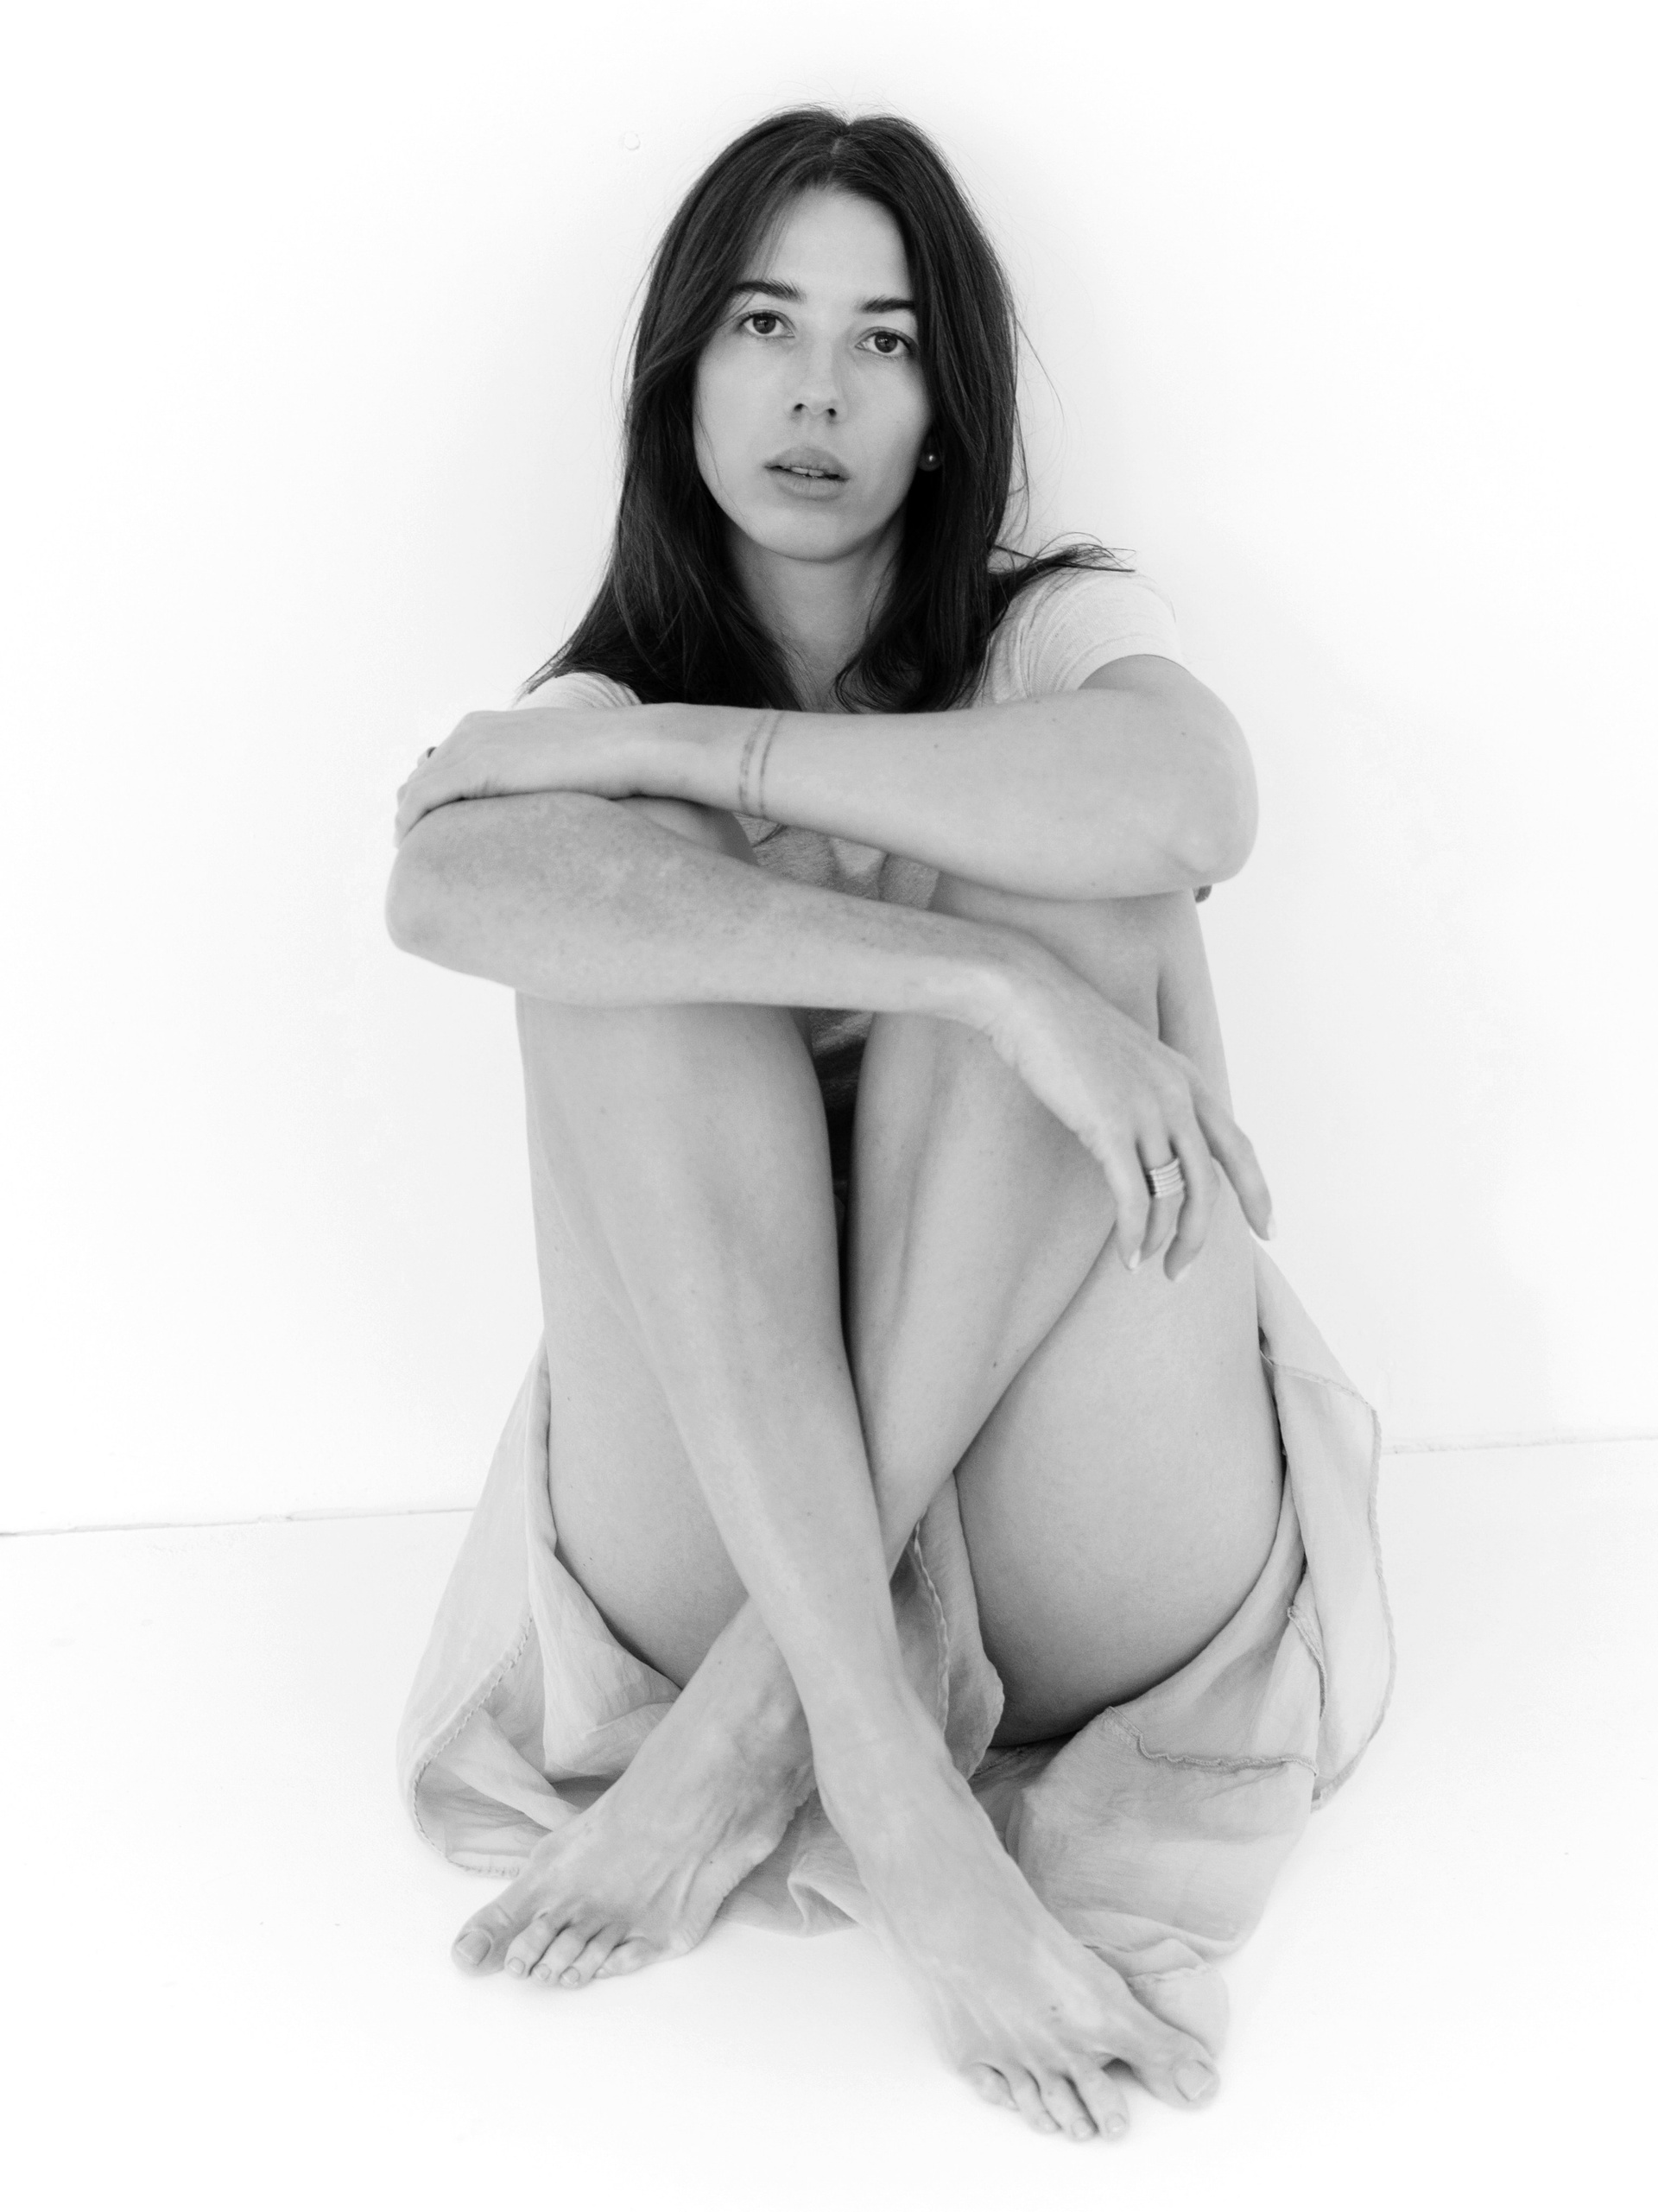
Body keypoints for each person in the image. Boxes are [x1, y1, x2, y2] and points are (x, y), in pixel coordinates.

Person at [385, 106, 1393, 2145]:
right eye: (767, 325)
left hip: (1080, 1526)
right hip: (726, 1512)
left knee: (1077, 873)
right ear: (686, 371)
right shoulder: (592, 732)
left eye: (887, 340)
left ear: (948, 409)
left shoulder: (1048, 634)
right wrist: (978, 987)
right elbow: (440, 886)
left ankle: (784, 1716)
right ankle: (886, 1772)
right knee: (615, 930)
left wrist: (761, 787)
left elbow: (1194, 803)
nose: (819, 393)